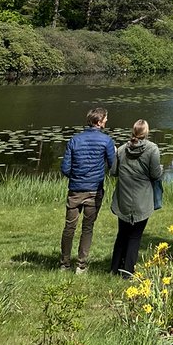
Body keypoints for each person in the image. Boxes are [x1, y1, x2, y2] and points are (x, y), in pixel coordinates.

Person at [60, 105, 116, 273]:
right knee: (87, 228)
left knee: (69, 228)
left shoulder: (74, 140)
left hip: (75, 190)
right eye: (105, 118)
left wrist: (77, 177)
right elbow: (113, 166)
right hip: (94, 191)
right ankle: (81, 265)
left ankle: (64, 264)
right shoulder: (106, 141)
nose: (107, 120)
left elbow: (65, 168)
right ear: (98, 121)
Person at [109, 119, 163, 277]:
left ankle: (114, 268)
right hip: (142, 201)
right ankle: (127, 272)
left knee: (122, 234)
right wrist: (160, 169)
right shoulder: (153, 149)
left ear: (133, 132)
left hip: (123, 199)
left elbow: (113, 172)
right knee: (135, 236)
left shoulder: (121, 149)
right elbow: (155, 174)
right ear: (146, 133)